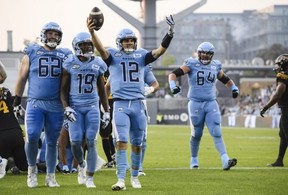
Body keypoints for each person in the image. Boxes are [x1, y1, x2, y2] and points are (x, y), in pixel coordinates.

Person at [87, 14, 175, 190]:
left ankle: (134, 177)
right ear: (120, 42)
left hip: (138, 104)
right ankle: (120, 179)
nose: (129, 43)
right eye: (126, 41)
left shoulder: (141, 55)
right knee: (121, 141)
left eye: (131, 41)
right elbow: (101, 49)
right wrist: (92, 33)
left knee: (137, 143)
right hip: (120, 105)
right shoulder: (113, 55)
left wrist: (170, 33)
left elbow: (159, 51)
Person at [13, 22, 72, 188]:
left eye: (56, 34)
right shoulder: (32, 52)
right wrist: (17, 100)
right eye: (50, 33)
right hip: (35, 102)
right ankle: (32, 171)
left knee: (52, 142)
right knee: (32, 136)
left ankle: (51, 176)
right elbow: (22, 77)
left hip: (55, 105)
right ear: (44, 34)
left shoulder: (66, 54)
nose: (53, 36)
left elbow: (70, 81)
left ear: (60, 37)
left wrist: (69, 104)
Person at [168, 42, 239, 170]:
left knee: (216, 131)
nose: (205, 56)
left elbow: (226, 79)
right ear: (199, 53)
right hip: (195, 103)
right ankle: (194, 160)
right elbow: (172, 74)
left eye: (208, 53)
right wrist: (173, 86)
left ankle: (225, 160)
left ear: (212, 55)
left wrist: (234, 88)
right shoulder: (191, 63)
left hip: (211, 102)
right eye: (203, 53)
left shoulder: (215, 66)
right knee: (197, 134)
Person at [60, 31, 110, 188]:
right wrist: (66, 107)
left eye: (89, 44)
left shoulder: (98, 63)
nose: (88, 46)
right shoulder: (70, 63)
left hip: (92, 107)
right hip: (75, 107)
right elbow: (63, 90)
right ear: (76, 46)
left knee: (91, 141)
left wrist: (106, 110)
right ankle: (81, 164)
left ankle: (90, 178)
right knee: (75, 142)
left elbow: (102, 90)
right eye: (84, 44)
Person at [0, 61, 28, 179]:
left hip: (1, 134)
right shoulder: (7, 91)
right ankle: (13, 162)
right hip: (16, 133)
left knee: (4, 155)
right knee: (24, 166)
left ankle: (6, 161)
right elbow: (21, 112)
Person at [260, 54, 288, 167]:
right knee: (283, 135)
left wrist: (266, 107)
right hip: (285, 110)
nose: (276, 67)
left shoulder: (283, 77)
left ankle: (279, 160)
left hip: (287, 110)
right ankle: (279, 160)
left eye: (278, 64)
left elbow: (277, 94)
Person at [99, 71, 116, 168]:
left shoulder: (100, 68)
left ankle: (111, 160)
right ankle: (112, 158)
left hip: (108, 100)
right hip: (111, 100)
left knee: (105, 132)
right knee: (108, 132)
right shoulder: (111, 67)